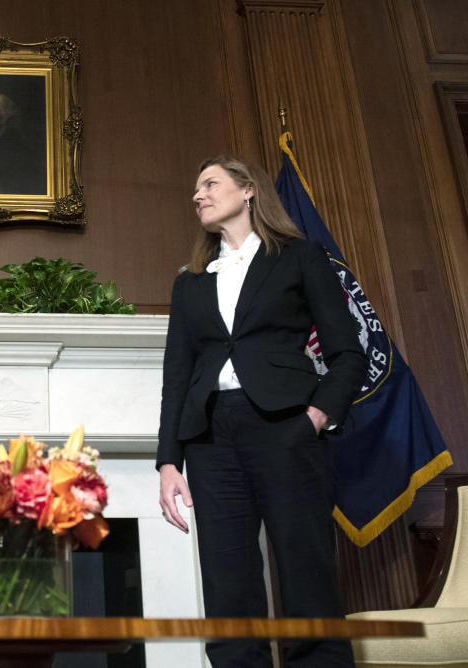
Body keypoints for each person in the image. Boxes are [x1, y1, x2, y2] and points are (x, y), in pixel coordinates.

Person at [157, 155, 366, 667]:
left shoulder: (298, 257)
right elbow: (177, 378)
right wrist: (168, 461)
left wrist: (314, 418)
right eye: (196, 188)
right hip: (209, 437)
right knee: (228, 586)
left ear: (248, 190)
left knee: (304, 574)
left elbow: (347, 353)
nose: (198, 195)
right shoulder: (190, 281)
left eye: (210, 183)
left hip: (284, 427)